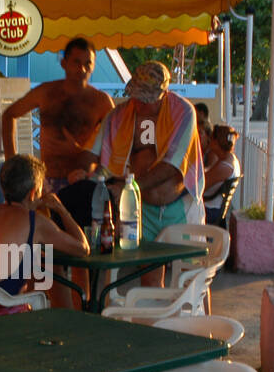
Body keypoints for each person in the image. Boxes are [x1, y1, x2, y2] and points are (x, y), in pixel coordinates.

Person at [86, 60, 205, 287]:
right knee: (149, 278)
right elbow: (93, 153)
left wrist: (131, 187)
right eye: (137, 96)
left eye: (147, 99)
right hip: (143, 210)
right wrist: (86, 173)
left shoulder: (183, 112)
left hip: (180, 206)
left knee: (193, 278)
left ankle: (203, 321)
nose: (140, 103)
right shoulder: (119, 116)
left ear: (164, 93)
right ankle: (153, 322)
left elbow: (171, 165)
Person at [0, 155, 89, 317]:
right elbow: (82, 248)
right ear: (32, 193)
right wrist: (61, 209)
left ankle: (68, 317)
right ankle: (70, 319)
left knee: (41, 263)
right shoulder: (35, 221)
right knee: (47, 266)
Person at [1, 37, 115, 192]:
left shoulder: (102, 101)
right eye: (76, 62)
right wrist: (11, 160)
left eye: (88, 64)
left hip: (83, 181)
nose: (82, 69)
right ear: (64, 63)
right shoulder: (46, 92)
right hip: (47, 180)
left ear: (94, 66)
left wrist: (83, 155)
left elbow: (116, 143)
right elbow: (9, 114)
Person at [202, 115, 241, 229]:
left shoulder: (225, 166)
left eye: (211, 139)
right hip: (214, 208)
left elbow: (201, 186)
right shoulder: (229, 160)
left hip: (211, 211)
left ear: (216, 142)